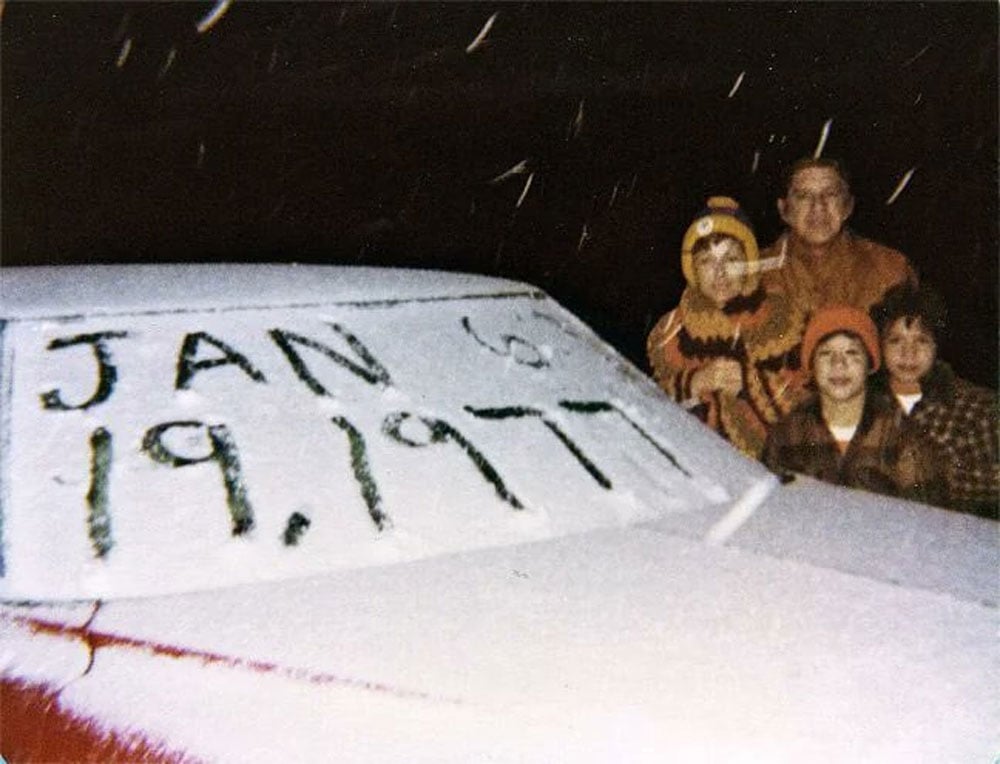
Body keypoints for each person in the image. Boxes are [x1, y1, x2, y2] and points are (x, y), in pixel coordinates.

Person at [647, 196, 806, 458]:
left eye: (731, 259)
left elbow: (810, 413)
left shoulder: (783, 322)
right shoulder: (671, 332)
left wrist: (750, 385)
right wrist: (692, 383)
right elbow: (643, 404)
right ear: (693, 269)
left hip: (771, 468)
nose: (719, 272)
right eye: (707, 261)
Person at [763, 305, 943, 505]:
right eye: (826, 353)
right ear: (811, 366)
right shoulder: (786, 434)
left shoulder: (903, 436)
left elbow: (927, 518)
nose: (838, 364)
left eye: (851, 353)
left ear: (870, 364)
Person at [871, 283, 999, 518]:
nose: (908, 353)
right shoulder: (866, 402)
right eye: (896, 341)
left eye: (921, 341)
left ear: (937, 345)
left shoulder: (977, 407)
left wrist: (941, 472)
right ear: (880, 345)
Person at [760, 157, 918, 317]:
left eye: (830, 194)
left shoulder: (891, 270)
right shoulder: (755, 276)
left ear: (848, 206)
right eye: (804, 196)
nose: (818, 206)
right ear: (784, 210)